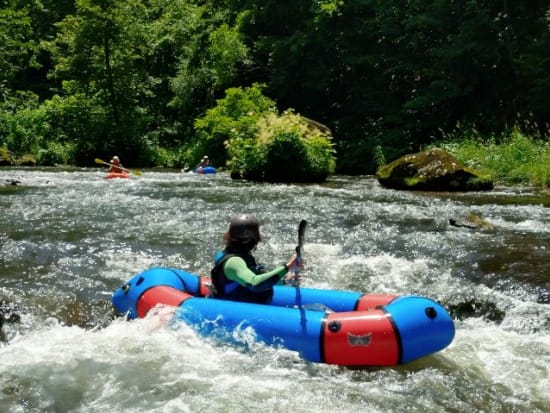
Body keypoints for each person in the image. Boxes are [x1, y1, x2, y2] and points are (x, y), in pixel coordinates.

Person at [210, 215, 303, 304]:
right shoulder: (234, 262)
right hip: (233, 308)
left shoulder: (231, 254)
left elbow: (245, 278)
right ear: (252, 240)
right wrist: (288, 266)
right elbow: (255, 283)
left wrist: (284, 281)